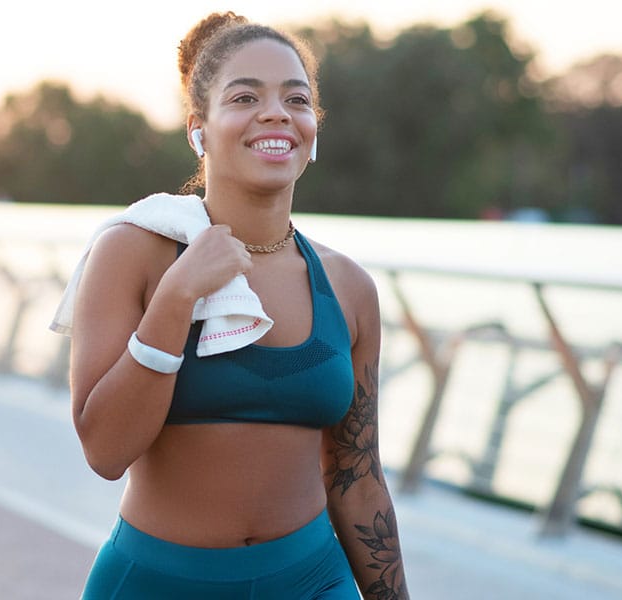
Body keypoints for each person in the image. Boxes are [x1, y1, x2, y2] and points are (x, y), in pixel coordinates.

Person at [60, 12, 409, 599]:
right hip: (158, 584)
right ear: (200, 128)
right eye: (245, 96)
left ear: (311, 128)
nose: (275, 112)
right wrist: (176, 297)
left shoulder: (348, 288)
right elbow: (105, 451)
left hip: (314, 581)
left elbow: (358, 477)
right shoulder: (134, 251)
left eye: (295, 99)